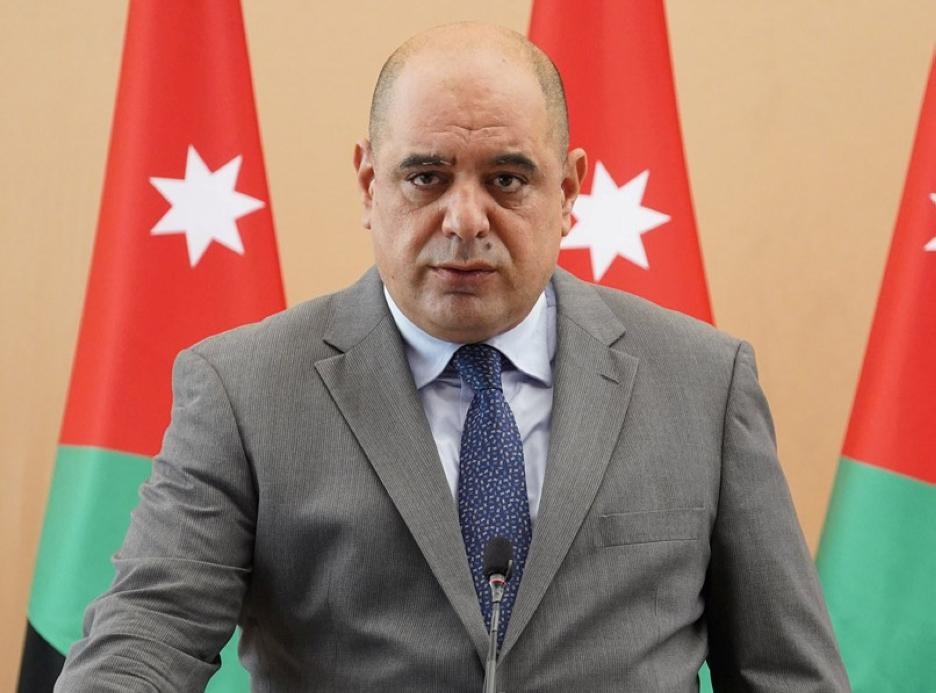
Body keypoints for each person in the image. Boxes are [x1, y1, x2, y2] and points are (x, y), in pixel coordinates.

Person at [57, 23, 850, 692]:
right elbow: (145, 637)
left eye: (507, 179)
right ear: (369, 184)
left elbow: (788, 674)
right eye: (426, 177)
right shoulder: (245, 391)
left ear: (569, 192)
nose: (465, 219)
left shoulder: (704, 384)